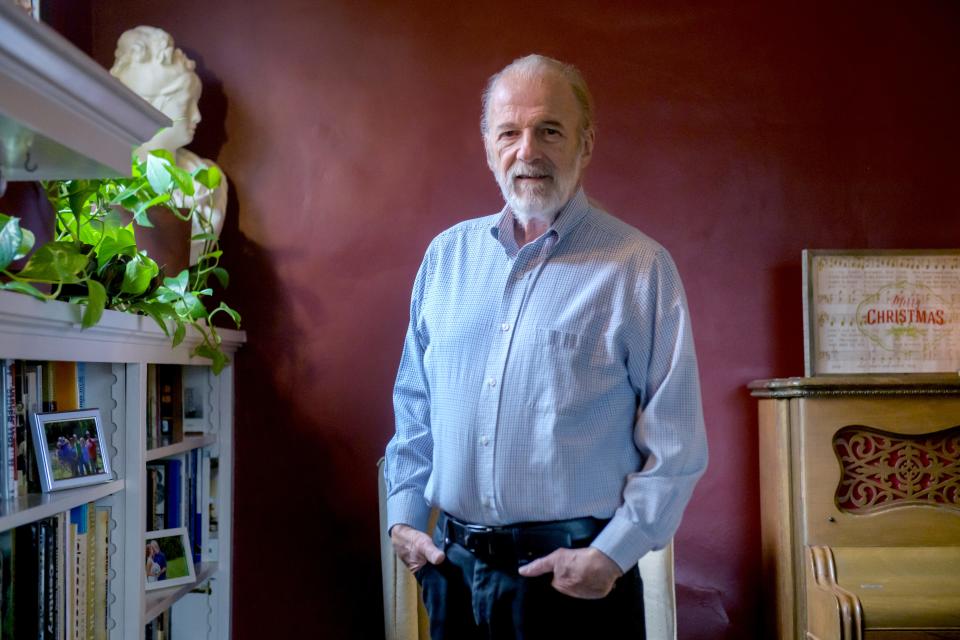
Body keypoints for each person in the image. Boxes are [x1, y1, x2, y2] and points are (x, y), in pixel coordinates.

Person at [383, 54, 708, 639]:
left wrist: (612, 555)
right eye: (509, 132)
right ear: (488, 145)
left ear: (586, 144)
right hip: (453, 577)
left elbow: (677, 444)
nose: (527, 151)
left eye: (549, 130)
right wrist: (403, 520)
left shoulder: (639, 269)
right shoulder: (446, 259)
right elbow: (414, 404)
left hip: (573, 586)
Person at [109, 26, 227, 266]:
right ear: (150, 109)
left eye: (197, 104)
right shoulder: (97, 178)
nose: (198, 117)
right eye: (186, 105)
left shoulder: (206, 182)